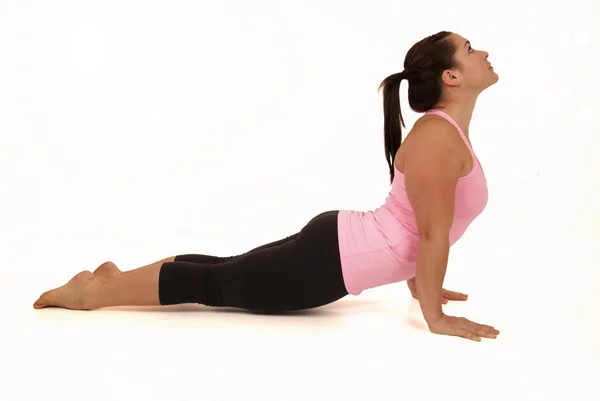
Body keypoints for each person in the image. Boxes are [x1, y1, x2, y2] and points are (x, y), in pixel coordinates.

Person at [33, 31, 500, 342]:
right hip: (333, 259)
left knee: (226, 270)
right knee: (215, 284)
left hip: (337, 247)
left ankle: (115, 280)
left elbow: (421, 224)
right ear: (451, 76)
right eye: (471, 48)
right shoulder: (438, 137)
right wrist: (435, 319)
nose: (483, 52)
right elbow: (433, 233)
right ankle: (90, 294)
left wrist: (422, 285)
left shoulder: (444, 134)